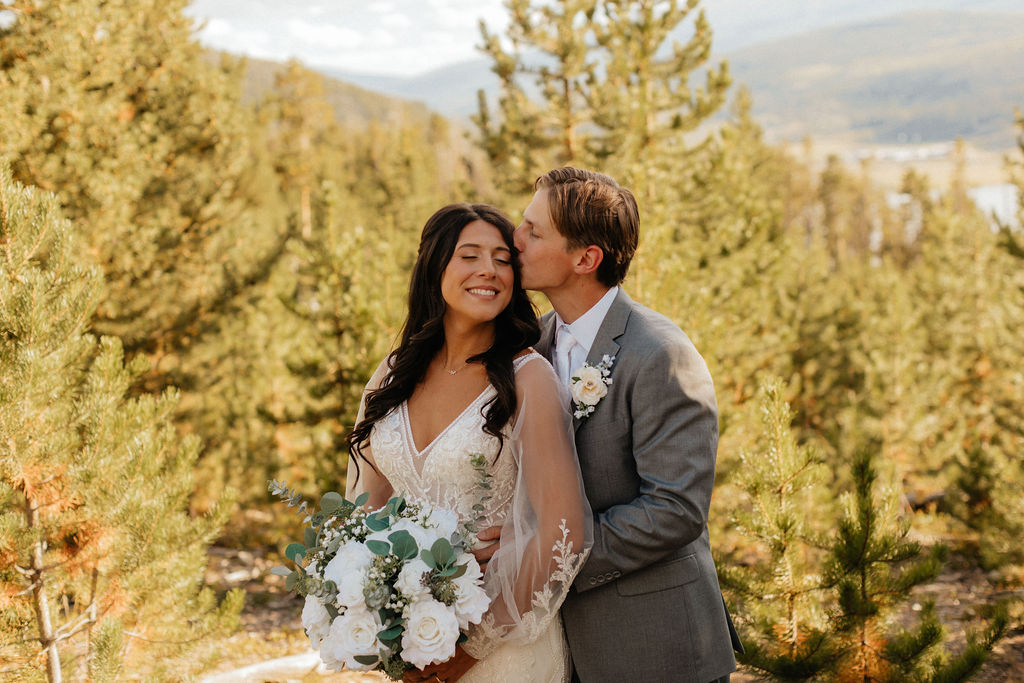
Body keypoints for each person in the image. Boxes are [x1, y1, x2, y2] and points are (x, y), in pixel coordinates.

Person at [506, 167, 743, 683]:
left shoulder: (660, 352)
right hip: (560, 650)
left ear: (586, 259)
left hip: (657, 646)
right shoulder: (533, 347)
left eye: (534, 231)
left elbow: (676, 508)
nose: (513, 240)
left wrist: (550, 560)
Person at [344, 203, 593, 683]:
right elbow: (367, 505)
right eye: (470, 255)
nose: (489, 270)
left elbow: (563, 533)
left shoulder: (528, 379)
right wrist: (369, 605)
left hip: (503, 650)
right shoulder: (394, 372)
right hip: (414, 648)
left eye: (503, 259)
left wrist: (469, 649)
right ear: (435, 265)